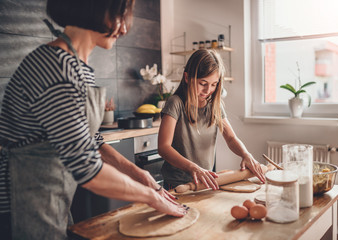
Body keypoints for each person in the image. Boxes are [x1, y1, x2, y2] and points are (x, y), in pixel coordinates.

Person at [0, 0, 187, 239]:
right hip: (18, 205)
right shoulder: (58, 67)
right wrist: (151, 197)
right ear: (97, 10)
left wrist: (137, 173)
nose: (125, 27)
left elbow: (89, 139)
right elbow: (85, 166)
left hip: (50, 196)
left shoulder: (77, 65)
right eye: (121, 14)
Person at [158, 49, 266, 190]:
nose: (208, 90)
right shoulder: (175, 103)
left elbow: (231, 138)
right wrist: (193, 168)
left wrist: (246, 154)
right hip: (178, 184)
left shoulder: (214, 105)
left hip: (204, 182)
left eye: (214, 84)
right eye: (203, 83)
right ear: (187, 78)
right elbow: (163, 147)